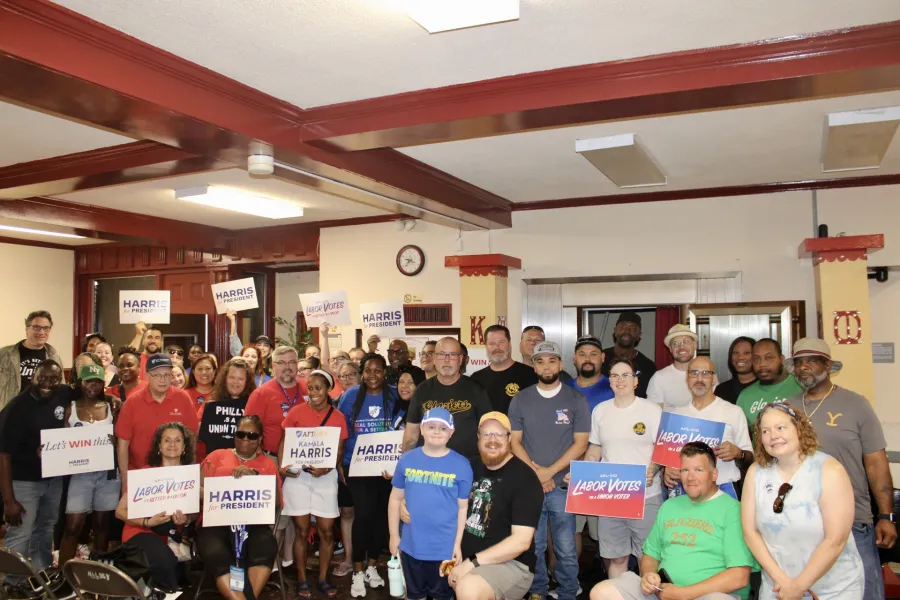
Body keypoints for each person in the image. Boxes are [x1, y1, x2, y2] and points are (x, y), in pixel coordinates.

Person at [784, 338, 896, 600]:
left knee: (865, 592)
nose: (803, 367)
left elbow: (876, 462)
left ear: (829, 365)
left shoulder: (856, 404)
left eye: (811, 361)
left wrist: (886, 516)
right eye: (799, 362)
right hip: (799, 521)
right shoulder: (787, 408)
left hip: (852, 520)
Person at [590, 442, 754, 600]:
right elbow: (650, 556)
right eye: (685, 470)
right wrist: (649, 575)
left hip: (709, 594)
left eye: (698, 470)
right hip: (662, 592)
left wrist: (683, 594)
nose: (690, 477)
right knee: (602, 592)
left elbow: (739, 577)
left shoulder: (733, 510)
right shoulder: (669, 506)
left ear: (714, 474)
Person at [742, 402, 864, 599]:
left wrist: (799, 586)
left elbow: (835, 540)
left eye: (781, 427)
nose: (773, 436)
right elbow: (750, 532)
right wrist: (782, 581)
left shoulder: (829, 470)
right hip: (777, 587)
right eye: (765, 431)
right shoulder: (756, 472)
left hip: (833, 589)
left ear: (799, 429)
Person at [509, 341, 590, 600]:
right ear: (534, 367)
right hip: (530, 486)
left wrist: (549, 472)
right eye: (540, 361)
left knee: (566, 547)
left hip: (563, 485)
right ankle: (538, 591)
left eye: (552, 360)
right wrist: (537, 473)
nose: (547, 366)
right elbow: (514, 442)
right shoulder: (521, 399)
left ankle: (567, 592)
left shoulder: (576, 399)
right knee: (535, 545)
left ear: (561, 364)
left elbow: (581, 444)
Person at [580, 357, 662, 580]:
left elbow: (662, 450)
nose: (620, 380)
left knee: (648, 558)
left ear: (635, 381)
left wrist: (653, 469)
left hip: (645, 495)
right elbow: (595, 447)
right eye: (615, 375)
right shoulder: (600, 410)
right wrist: (584, 473)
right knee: (616, 558)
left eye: (626, 375)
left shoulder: (652, 410)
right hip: (612, 495)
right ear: (609, 381)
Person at [448, 412, 543, 600]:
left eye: (499, 434)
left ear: (509, 439)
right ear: (478, 438)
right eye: (486, 434)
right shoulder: (468, 467)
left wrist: (470, 564)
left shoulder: (525, 479)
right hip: (462, 554)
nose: (493, 440)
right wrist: (405, 502)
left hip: (510, 564)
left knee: (469, 589)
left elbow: (521, 542)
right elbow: (437, 494)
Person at [389, 407, 472, 600]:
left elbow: (462, 508)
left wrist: (458, 544)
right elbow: (394, 499)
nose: (436, 431)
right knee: (414, 594)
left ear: (451, 433)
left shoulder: (462, 465)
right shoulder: (407, 459)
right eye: (431, 426)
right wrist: (394, 535)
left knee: (442, 595)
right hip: (411, 547)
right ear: (422, 429)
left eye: (443, 428)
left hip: (444, 550)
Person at [279, 370, 348, 599]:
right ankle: (301, 579)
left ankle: (322, 577)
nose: (314, 392)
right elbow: (284, 441)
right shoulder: (297, 412)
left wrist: (328, 467)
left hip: (325, 477)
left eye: (318, 388)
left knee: (327, 531)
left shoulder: (337, 416)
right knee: (301, 530)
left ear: (329, 390)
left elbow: (339, 448)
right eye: (310, 388)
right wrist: (283, 465)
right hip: (298, 477)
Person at [198, 415, 279, 600]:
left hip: (254, 524)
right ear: (234, 435)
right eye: (240, 434)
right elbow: (197, 489)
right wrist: (215, 492)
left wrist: (254, 479)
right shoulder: (216, 456)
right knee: (216, 552)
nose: (245, 439)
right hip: (215, 523)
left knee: (265, 547)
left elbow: (275, 502)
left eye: (251, 435)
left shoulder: (267, 464)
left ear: (259, 440)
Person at [0, 360, 71, 572]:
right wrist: (9, 500)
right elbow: (3, 455)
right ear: (33, 377)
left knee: (46, 528)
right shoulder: (16, 408)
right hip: (24, 482)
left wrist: (111, 398)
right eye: (43, 378)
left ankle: (41, 574)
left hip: (53, 480)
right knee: (21, 533)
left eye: (54, 379)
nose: (48, 383)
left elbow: (88, 394)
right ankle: (14, 583)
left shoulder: (64, 393)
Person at [337, 354, 396, 597]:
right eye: (368, 370)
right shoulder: (350, 396)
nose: (373, 375)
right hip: (356, 466)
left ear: (384, 372)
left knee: (382, 517)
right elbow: (340, 429)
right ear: (362, 373)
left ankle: (372, 566)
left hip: (385, 468)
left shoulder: (393, 394)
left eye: (378, 370)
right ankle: (357, 571)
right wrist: (339, 462)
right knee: (364, 516)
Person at [115, 422, 197, 592]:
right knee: (165, 564)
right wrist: (147, 522)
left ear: (184, 447)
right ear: (159, 446)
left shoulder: (190, 476)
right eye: (167, 440)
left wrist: (187, 519)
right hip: (140, 531)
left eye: (177, 440)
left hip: (173, 537)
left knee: (175, 574)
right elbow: (120, 511)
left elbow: (195, 512)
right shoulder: (146, 474)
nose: (172, 444)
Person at [664, 357, 753, 498]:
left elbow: (750, 458)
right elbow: (669, 459)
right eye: (694, 373)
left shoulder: (733, 411)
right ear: (687, 378)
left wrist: (738, 453)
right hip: (687, 490)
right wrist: (667, 470)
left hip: (724, 488)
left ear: (714, 379)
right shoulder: (676, 414)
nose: (699, 378)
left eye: (705, 373)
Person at [59, 364, 121, 567]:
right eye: (88, 381)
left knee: (102, 524)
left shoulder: (111, 407)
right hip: (80, 473)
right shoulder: (71, 408)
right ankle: (64, 574)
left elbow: (122, 438)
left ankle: (98, 572)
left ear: (104, 384)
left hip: (107, 473)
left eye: (98, 381)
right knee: (73, 525)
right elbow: (60, 441)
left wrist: (115, 440)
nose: (93, 385)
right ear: (81, 383)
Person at [403, 337, 492, 463]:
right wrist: (405, 466)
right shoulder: (421, 390)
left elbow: (487, 432)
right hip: (428, 468)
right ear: (434, 359)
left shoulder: (476, 390)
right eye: (442, 354)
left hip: (468, 467)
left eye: (452, 355)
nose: (447, 360)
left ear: (461, 359)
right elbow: (411, 435)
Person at [115, 354, 199, 483]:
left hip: (176, 476)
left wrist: (190, 473)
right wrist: (125, 479)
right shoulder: (132, 402)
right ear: (147, 376)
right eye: (157, 375)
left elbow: (192, 438)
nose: (163, 380)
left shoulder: (183, 398)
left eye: (166, 375)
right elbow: (123, 445)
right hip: (140, 476)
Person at [245, 346, 310, 459]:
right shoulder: (260, 394)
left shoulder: (310, 388)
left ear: (297, 364)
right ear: (273, 366)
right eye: (281, 363)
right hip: (272, 458)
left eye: (292, 362)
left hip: (308, 456)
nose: (287, 367)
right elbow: (248, 429)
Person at [0, 310, 63, 408]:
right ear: (27, 329)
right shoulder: (4, 355)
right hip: (12, 411)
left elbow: (60, 387)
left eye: (46, 328)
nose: (42, 332)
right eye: (36, 327)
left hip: (42, 411)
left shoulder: (54, 357)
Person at [471, 325, 539, 414]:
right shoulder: (476, 379)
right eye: (491, 343)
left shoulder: (531, 375)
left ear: (509, 344)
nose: (497, 347)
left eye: (501, 342)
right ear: (486, 346)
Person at [736, 339, 802, 429]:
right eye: (756, 359)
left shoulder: (801, 386)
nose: (762, 364)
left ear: (781, 359)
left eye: (769, 358)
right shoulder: (745, 397)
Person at [198, 358, 256, 458]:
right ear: (225, 379)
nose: (235, 382)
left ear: (247, 381)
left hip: (243, 465)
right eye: (232, 377)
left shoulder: (253, 407)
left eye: (240, 379)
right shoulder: (210, 405)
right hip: (215, 464)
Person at [600, 312, 657, 399]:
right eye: (622, 326)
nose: (627, 330)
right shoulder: (600, 359)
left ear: (639, 335)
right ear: (615, 331)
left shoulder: (648, 366)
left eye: (633, 328)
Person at [646, 324, 697, 411]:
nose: (681, 347)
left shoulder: (707, 374)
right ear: (670, 349)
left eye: (686, 341)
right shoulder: (659, 378)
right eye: (675, 343)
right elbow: (653, 415)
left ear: (695, 345)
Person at [565, 335, 614, 415]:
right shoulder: (564, 390)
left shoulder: (614, 389)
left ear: (602, 357)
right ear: (574, 358)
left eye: (593, 354)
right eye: (582, 354)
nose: (587, 359)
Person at [714, 337, 756, 405]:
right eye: (735, 353)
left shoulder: (766, 387)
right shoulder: (722, 390)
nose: (740, 357)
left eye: (746, 353)